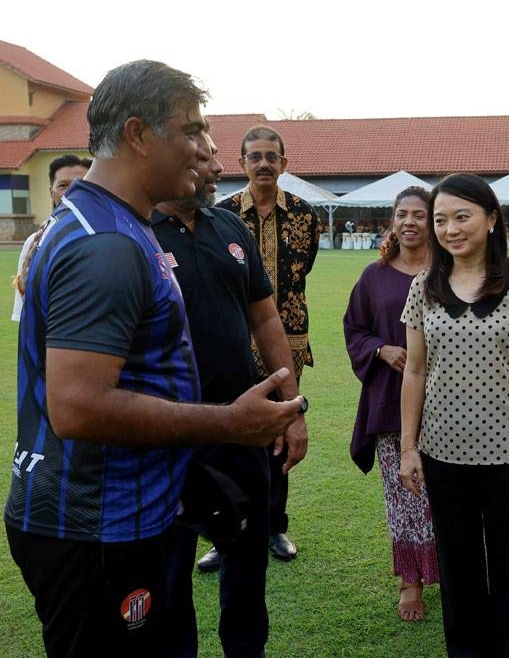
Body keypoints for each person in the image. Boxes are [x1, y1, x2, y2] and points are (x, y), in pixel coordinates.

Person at [3, 59, 304, 658]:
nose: (204, 150)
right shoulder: (106, 246)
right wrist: (229, 423)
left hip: (120, 515)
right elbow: (77, 408)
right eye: (191, 130)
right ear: (139, 134)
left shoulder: (117, 225)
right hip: (93, 525)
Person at [153, 134, 307, 657]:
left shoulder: (228, 226)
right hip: (167, 433)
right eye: (203, 159)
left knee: (246, 561)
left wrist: (290, 408)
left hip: (243, 426)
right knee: (169, 573)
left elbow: (265, 316)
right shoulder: (138, 232)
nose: (218, 167)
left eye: (217, 157)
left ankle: (248, 649)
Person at [399, 173, 509, 656]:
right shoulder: (424, 287)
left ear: (491, 219)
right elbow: (415, 372)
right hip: (443, 456)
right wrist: (408, 447)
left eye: (462, 216)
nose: (450, 229)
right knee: (459, 567)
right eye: (441, 219)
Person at [211, 124, 320, 565]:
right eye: (254, 156)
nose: (263, 164)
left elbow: (304, 268)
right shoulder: (221, 215)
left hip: (285, 345)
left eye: (271, 156)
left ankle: (275, 528)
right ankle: (225, 534)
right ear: (241, 163)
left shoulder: (304, 215)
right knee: (230, 439)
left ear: (283, 164)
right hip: (232, 342)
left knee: (279, 437)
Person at [344, 186, 439, 622]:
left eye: (420, 215)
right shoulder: (374, 276)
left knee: (447, 494)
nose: (410, 222)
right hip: (389, 400)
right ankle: (410, 581)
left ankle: (450, 568)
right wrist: (382, 349)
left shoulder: (450, 272)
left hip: (449, 401)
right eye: (402, 214)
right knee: (404, 493)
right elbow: (355, 329)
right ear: (392, 221)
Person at [11, 155, 92, 321]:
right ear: (51, 192)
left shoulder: (114, 237)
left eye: (81, 184)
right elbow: (25, 315)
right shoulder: (36, 242)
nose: (71, 192)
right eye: (63, 186)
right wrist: (26, 285)